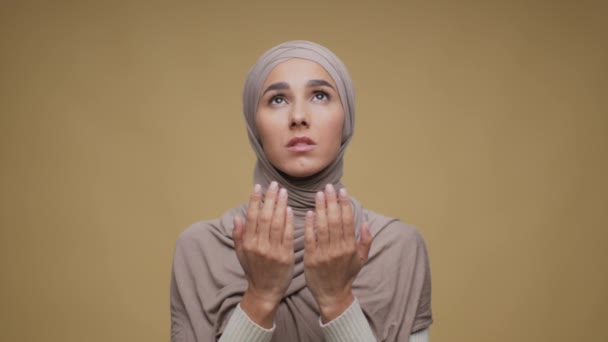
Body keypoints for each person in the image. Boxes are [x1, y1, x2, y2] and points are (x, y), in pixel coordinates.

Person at [170, 40, 432, 342]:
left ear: (346, 118)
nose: (298, 116)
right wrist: (260, 298)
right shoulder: (200, 250)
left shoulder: (397, 248)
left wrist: (337, 301)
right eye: (277, 100)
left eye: (320, 96)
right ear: (254, 124)